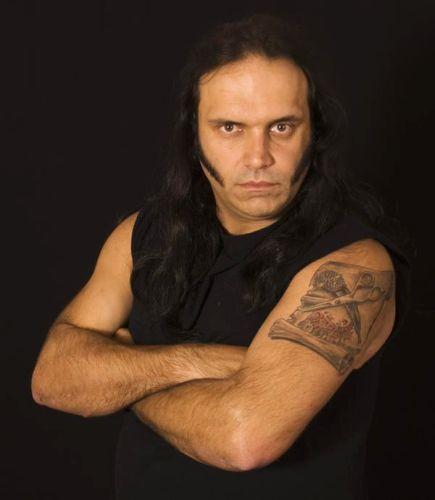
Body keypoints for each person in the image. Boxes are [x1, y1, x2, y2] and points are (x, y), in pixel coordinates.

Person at [31, 13, 413, 500]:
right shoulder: (142, 236)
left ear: (314, 134)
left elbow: (243, 439)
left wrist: (119, 378)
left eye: (282, 127)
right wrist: (202, 363)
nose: (258, 157)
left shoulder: (354, 268)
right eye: (230, 127)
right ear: (194, 137)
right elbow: (52, 377)